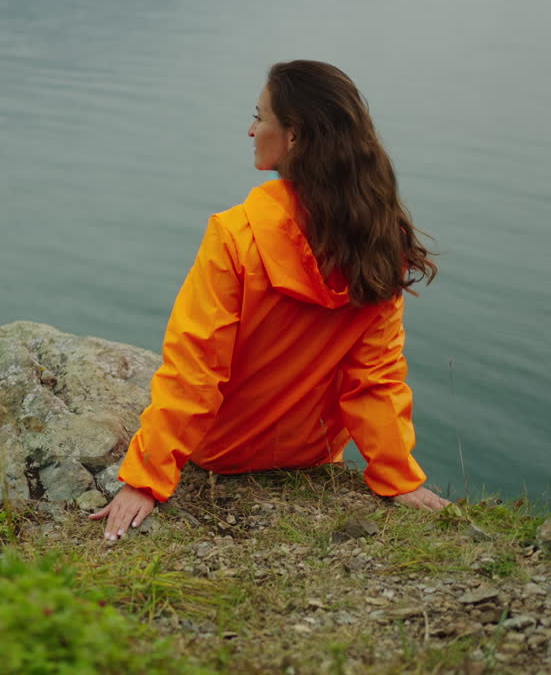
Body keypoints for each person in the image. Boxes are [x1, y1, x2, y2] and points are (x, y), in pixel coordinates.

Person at [90, 60, 450, 540]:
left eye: (260, 117)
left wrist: (145, 480)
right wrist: (397, 476)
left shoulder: (236, 235)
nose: (251, 129)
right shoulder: (380, 240)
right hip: (311, 453)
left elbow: (195, 369)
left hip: (222, 452)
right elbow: (375, 379)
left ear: (295, 137)